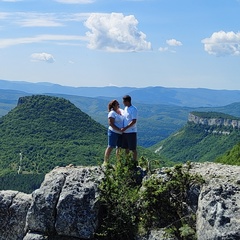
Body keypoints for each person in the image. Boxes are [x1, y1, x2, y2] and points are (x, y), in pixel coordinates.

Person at [103, 99, 124, 165]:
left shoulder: (119, 112)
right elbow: (111, 123)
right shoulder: (112, 113)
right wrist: (118, 129)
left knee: (119, 147)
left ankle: (119, 162)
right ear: (114, 106)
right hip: (113, 132)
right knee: (110, 146)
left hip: (120, 133)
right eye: (117, 104)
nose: (118, 105)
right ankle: (106, 161)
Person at [121, 95, 138, 166]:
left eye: (123, 101)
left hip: (131, 131)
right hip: (125, 132)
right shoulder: (125, 108)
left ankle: (134, 163)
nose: (123, 103)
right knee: (126, 148)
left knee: (133, 148)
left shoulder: (134, 109)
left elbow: (134, 121)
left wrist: (126, 127)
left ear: (127, 101)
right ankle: (127, 162)